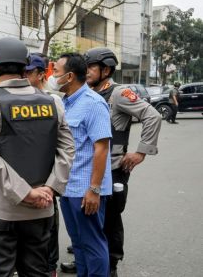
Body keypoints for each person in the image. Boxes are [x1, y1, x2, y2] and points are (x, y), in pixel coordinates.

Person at [0, 38, 75, 277]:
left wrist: (25, 193)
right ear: (25, 66)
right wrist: (50, 188)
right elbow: (67, 149)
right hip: (42, 210)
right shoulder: (53, 102)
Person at [57, 47, 161, 277]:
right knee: (89, 227)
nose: (88, 71)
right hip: (86, 168)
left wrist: (140, 152)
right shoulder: (80, 95)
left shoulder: (118, 93)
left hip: (112, 167)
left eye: (92, 67)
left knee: (110, 220)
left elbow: (153, 116)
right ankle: (89, 261)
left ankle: (110, 264)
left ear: (106, 70)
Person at [50, 53, 112, 277]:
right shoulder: (66, 102)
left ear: (69, 76)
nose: (52, 75)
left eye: (55, 71)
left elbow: (102, 148)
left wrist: (94, 189)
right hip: (68, 187)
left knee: (93, 243)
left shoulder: (93, 103)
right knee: (78, 244)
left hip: (86, 190)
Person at [25, 54, 64, 277]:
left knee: (49, 224)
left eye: (29, 72)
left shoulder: (53, 100)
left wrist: (53, 182)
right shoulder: (15, 98)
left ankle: (50, 268)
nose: (25, 76)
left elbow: (62, 142)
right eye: (23, 71)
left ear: (41, 74)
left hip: (47, 173)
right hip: (25, 171)